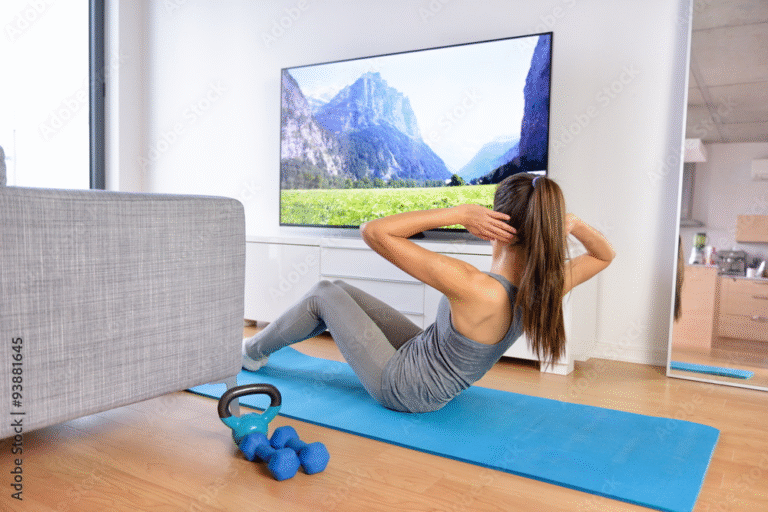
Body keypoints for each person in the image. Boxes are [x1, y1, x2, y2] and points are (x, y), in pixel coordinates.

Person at [243, 173, 615, 413]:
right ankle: (267, 346)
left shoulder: (476, 287)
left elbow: (374, 232)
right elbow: (604, 255)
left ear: (496, 224)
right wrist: (575, 225)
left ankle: (251, 353)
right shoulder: (545, 286)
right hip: (427, 364)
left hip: (405, 388)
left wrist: (456, 213)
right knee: (340, 290)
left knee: (323, 292)